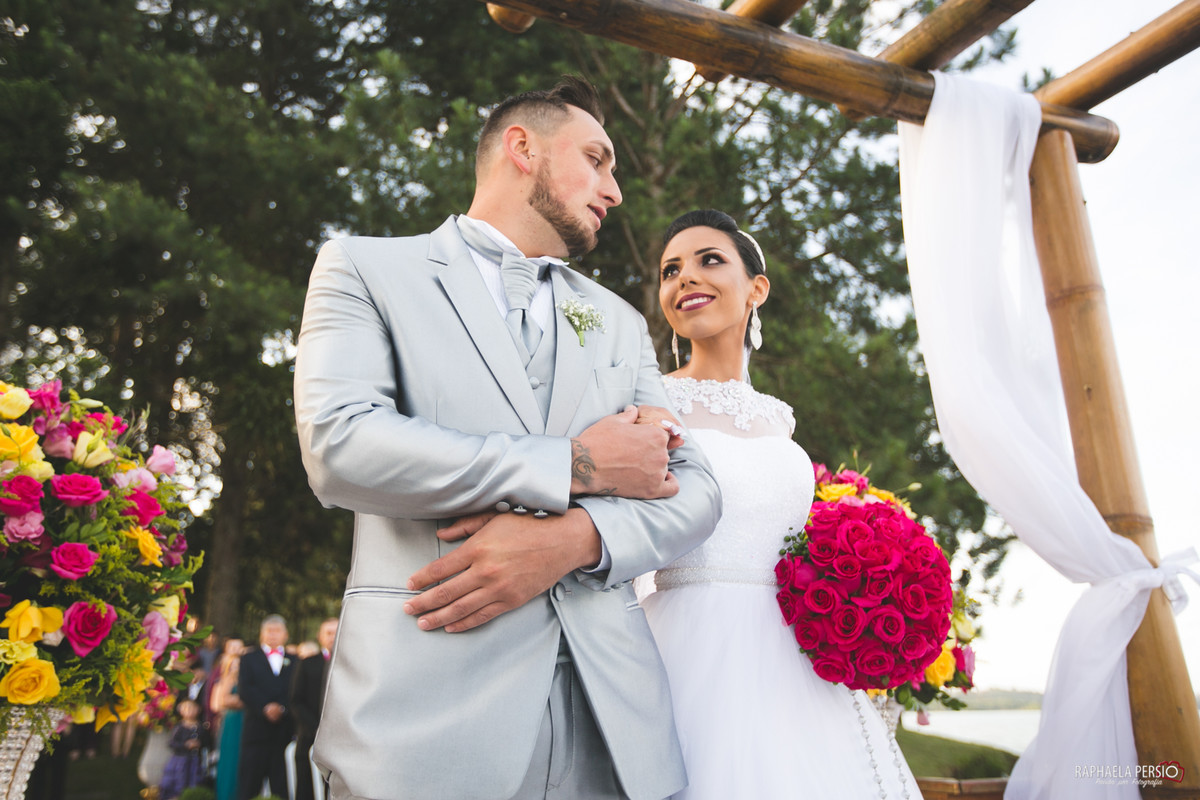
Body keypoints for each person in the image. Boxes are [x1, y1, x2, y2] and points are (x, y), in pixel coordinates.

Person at [294, 75, 721, 800]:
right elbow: (341, 445)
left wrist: (575, 540)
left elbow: (698, 491)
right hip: (425, 732)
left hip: (613, 735)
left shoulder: (617, 318)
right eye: (597, 159)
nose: (614, 190)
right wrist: (577, 465)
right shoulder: (366, 268)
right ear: (522, 148)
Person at [638, 209, 921, 799]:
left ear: (756, 289)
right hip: (687, 648)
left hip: (797, 654)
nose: (685, 277)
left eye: (709, 260)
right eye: (670, 270)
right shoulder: (648, 401)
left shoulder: (778, 416)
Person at [237, 616, 296, 800]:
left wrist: (282, 708)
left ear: (285, 635)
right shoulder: (249, 658)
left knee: (282, 787)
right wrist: (265, 707)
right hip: (256, 731)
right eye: (268, 631)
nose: (272, 634)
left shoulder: (295, 660)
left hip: (283, 732)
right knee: (249, 786)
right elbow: (245, 689)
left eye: (277, 630)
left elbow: (296, 690)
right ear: (261, 634)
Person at [290, 617, 338, 800]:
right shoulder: (307, 663)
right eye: (328, 633)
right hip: (310, 738)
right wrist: (318, 728)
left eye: (337, 631)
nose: (333, 637)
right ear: (320, 636)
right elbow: (296, 701)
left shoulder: (354, 664)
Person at [210, 639, 245, 800]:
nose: (237, 667)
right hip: (232, 721)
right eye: (235, 664)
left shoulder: (246, 679)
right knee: (230, 760)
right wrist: (246, 700)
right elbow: (223, 700)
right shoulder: (229, 678)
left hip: (244, 721)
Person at [159, 698, 213, 800]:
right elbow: (172, 743)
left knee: (194, 783)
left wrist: (199, 744)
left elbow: (208, 743)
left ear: (198, 709)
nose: (189, 710)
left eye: (191, 707)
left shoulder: (201, 727)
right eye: (186, 707)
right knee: (178, 784)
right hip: (180, 762)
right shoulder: (179, 727)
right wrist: (185, 745)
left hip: (196, 762)